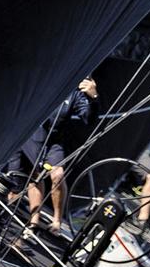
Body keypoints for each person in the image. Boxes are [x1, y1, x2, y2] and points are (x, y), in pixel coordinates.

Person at [12, 77, 100, 233]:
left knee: (57, 175)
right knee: (27, 177)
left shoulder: (75, 93)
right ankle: (34, 220)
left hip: (54, 140)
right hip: (31, 134)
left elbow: (89, 118)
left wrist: (94, 98)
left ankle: (57, 219)